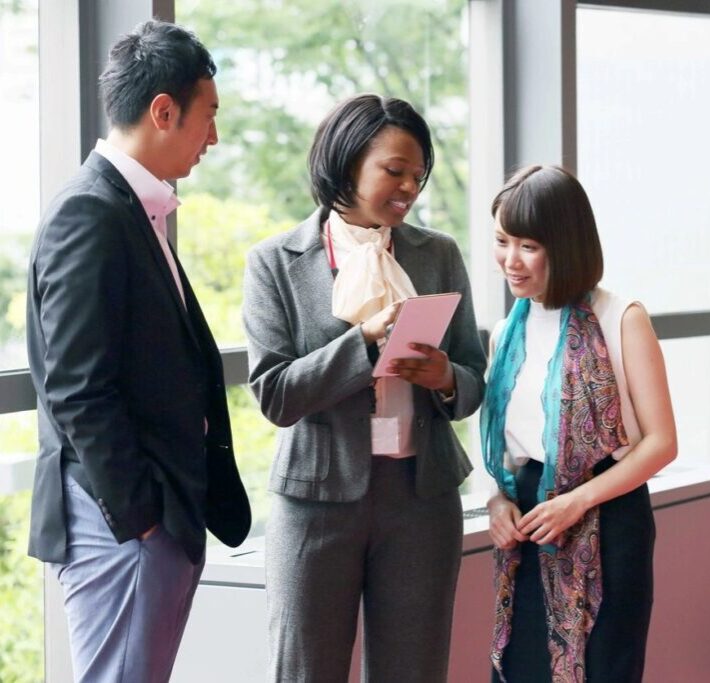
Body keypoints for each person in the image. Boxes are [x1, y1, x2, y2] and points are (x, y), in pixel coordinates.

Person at [25, 19, 251, 683]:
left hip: (148, 518)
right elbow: (77, 388)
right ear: (163, 110)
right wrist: (142, 517)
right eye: (207, 117)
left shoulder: (131, 209)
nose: (214, 137)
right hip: (118, 523)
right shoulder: (89, 212)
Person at [243, 93, 486, 682]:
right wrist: (365, 344)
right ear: (348, 162)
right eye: (394, 171)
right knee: (306, 671)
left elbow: (476, 379)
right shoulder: (275, 261)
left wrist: (446, 378)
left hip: (421, 500)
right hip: (317, 503)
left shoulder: (439, 254)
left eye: (418, 176)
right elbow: (274, 393)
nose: (409, 188)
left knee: (415, 671)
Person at [481, 165, 678, 682]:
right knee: (524, 669)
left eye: (528, 245)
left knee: (602, 668)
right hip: (531, 522)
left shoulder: (621, 317)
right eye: (502, 241)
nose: (510, 260)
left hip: (608, 516)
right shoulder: (507, 332)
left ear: (564, 244)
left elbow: (661, 443)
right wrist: (497, 501)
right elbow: (506, 450)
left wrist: (578, 501)